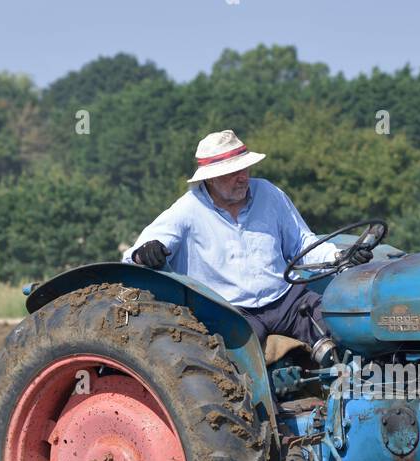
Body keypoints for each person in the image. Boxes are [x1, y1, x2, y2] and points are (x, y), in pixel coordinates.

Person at [123, 129, 370, 347]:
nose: (242, 177)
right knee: (236, 377)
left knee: (346, 329)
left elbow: (303, 243)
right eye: (231, 173)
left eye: (244, 168)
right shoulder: (187, 210)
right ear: (209, 178)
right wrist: (145, 253)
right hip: (232, 312)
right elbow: (135, 255)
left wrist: (340, 256)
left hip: (287, 300)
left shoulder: (269, 193)